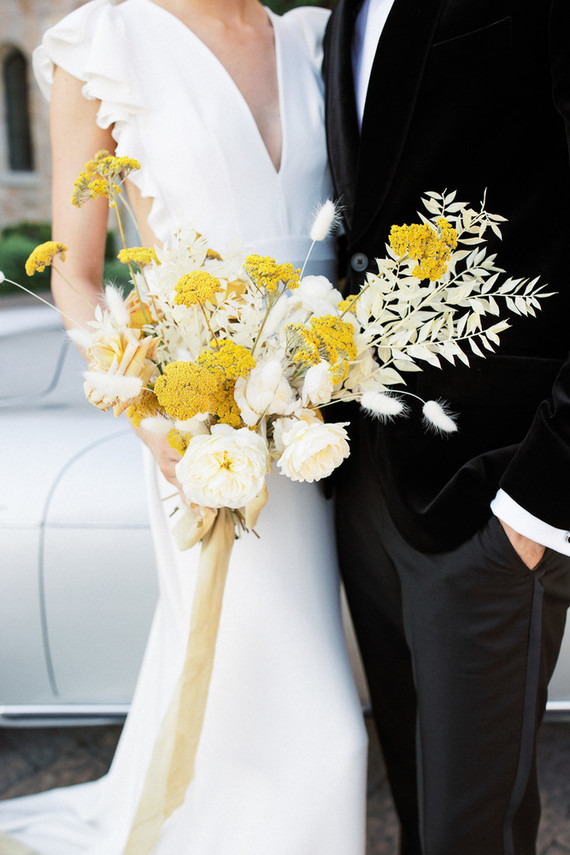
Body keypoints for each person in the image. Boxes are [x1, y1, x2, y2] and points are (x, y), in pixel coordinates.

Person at [0, 2, 368, 853]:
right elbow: (77, 277)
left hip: (328, 422)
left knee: (290, 705)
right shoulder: (103, 44)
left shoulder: (312, 38)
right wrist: (151, 419)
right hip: (205, 435)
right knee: (310, 721)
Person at [323, 1, 570, 854]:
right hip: (364, 477)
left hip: (493, 491)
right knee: (421, 814)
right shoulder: (339, 18)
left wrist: (536, 505)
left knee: (474, 833)